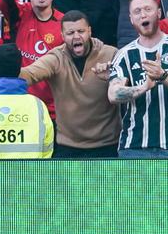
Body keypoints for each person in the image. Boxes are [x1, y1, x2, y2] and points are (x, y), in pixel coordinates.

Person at [18, 10, 119, 158]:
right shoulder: (56, 58)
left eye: (81, 31)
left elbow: (129, 87)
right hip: (68, 147)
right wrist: (9, 65)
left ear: (90, 31)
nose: (76, 36)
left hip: (107, 146)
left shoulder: (111, 54)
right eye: (70, 33)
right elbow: (28, 75)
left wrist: (113, 78)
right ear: (62, 36)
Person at [109, 0, 168, 157]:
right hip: (133, 146)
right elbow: (113, 94)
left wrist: (162, 76)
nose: (143, 15)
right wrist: (144, 87)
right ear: (131, 19)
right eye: (137, 11)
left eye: (147, 9)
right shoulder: (124, 54)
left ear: (158, 13)